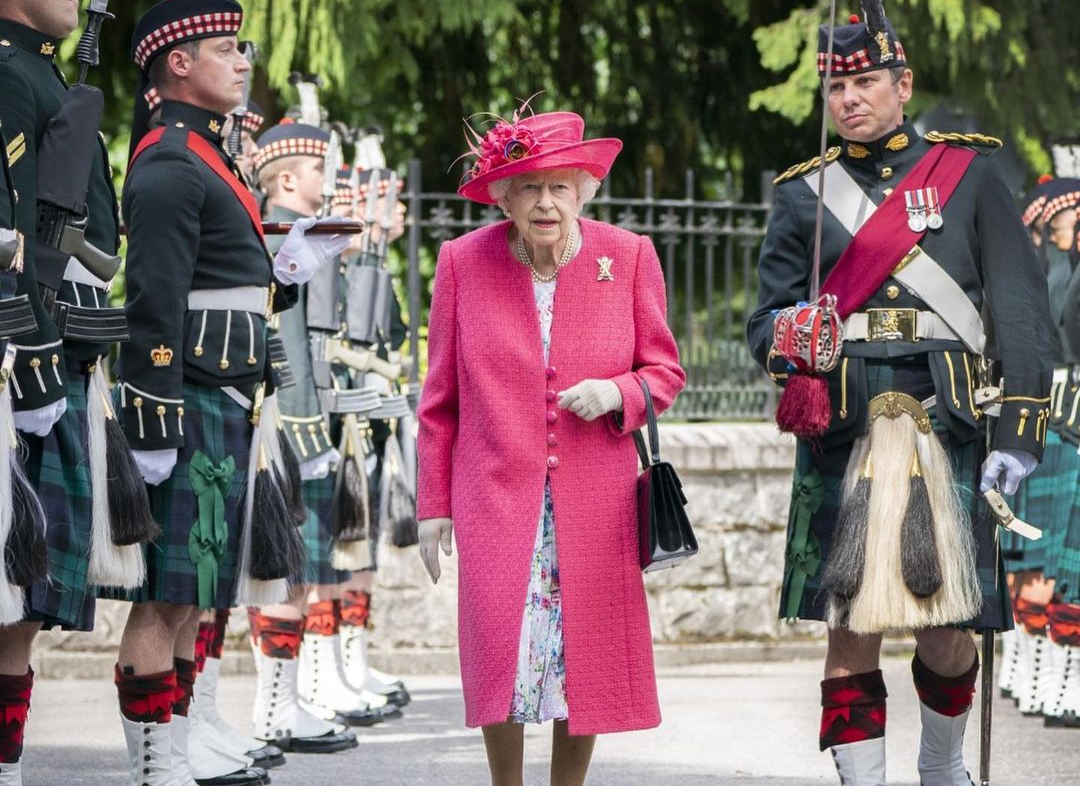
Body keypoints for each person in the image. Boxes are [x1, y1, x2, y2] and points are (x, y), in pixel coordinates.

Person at [746, 7, 1051, 785]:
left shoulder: (971, 174)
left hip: (945, 419)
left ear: (902, 84)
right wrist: (792, 334)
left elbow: (1018, 311)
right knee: (849, 625)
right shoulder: (802, 195)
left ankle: (942, 769)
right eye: (839, 86)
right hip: (844, 426)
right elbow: (764, 322)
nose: (851, 98)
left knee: (949, 628)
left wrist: (1017, 436)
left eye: (867, 81)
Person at [111, 2, 350, 784]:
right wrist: (150, 422)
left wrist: (282, 273)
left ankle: (180, 750)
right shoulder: (170, 160)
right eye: (225, 47)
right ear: (177, 62)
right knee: (161, 600)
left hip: (230, 396)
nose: (243, 59)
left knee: (192, 594)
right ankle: (155, 769)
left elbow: (225, 286)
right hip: (186, 399)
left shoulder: (212, 160)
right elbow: (153, 298)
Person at [416, 107, 685, 786]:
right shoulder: (461, 263)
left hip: (596, 501)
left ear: (583, 191)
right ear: (502, 196)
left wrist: (618, 394)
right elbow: (439, 400)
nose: (545, 202)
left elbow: (664, 372)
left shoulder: (626, 257)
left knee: (583, 658)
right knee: (498, 654)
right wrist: (432, 504)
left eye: (560, 187)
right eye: (529, 187)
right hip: (494, 498)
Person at [0, 3, 148, 784]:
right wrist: (19, 337)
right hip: (24, 346)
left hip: (66, 344)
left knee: (25, 605)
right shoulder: (7, 71)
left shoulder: (45, 74)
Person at [249, 120, 390, 741]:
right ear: (285, 177)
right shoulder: (284, 234)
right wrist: (308, 432)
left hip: (309, 417)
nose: (326, 182)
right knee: (292, 572)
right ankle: (281, 707)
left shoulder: (302, 234)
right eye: (316, 170)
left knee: (311, 570)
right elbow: (289, 343)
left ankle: (296, 698)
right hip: (292, 421)